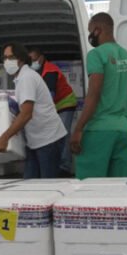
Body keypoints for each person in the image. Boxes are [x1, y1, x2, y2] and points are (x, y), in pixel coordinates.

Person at [70, 13, 127, 179]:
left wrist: (79, 128)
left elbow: (94, 93)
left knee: (90, 189)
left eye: (90, 31)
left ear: (97, 30)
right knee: (117, 190)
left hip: (98, 131)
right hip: (123, 132)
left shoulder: (96, 55)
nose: (90, 36)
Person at [0, 44, 68, 178]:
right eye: (4, 58)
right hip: (36, 140)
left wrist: (5, 137)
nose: (7, 61)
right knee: (30, 184)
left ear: (21, 59)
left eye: (11, 57)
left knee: (46, 186)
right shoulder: (21, 78)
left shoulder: (26, 78)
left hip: (48, 139)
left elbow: (27, 114)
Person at [29, 46, 78, 175]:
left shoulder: (50, 71)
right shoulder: (34, 72)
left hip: (65, 103)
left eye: (34, 59)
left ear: (41, 58)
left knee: (62, 134)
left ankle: (64, 167)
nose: (32, 62)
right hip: (55, 105)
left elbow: (49, 96)